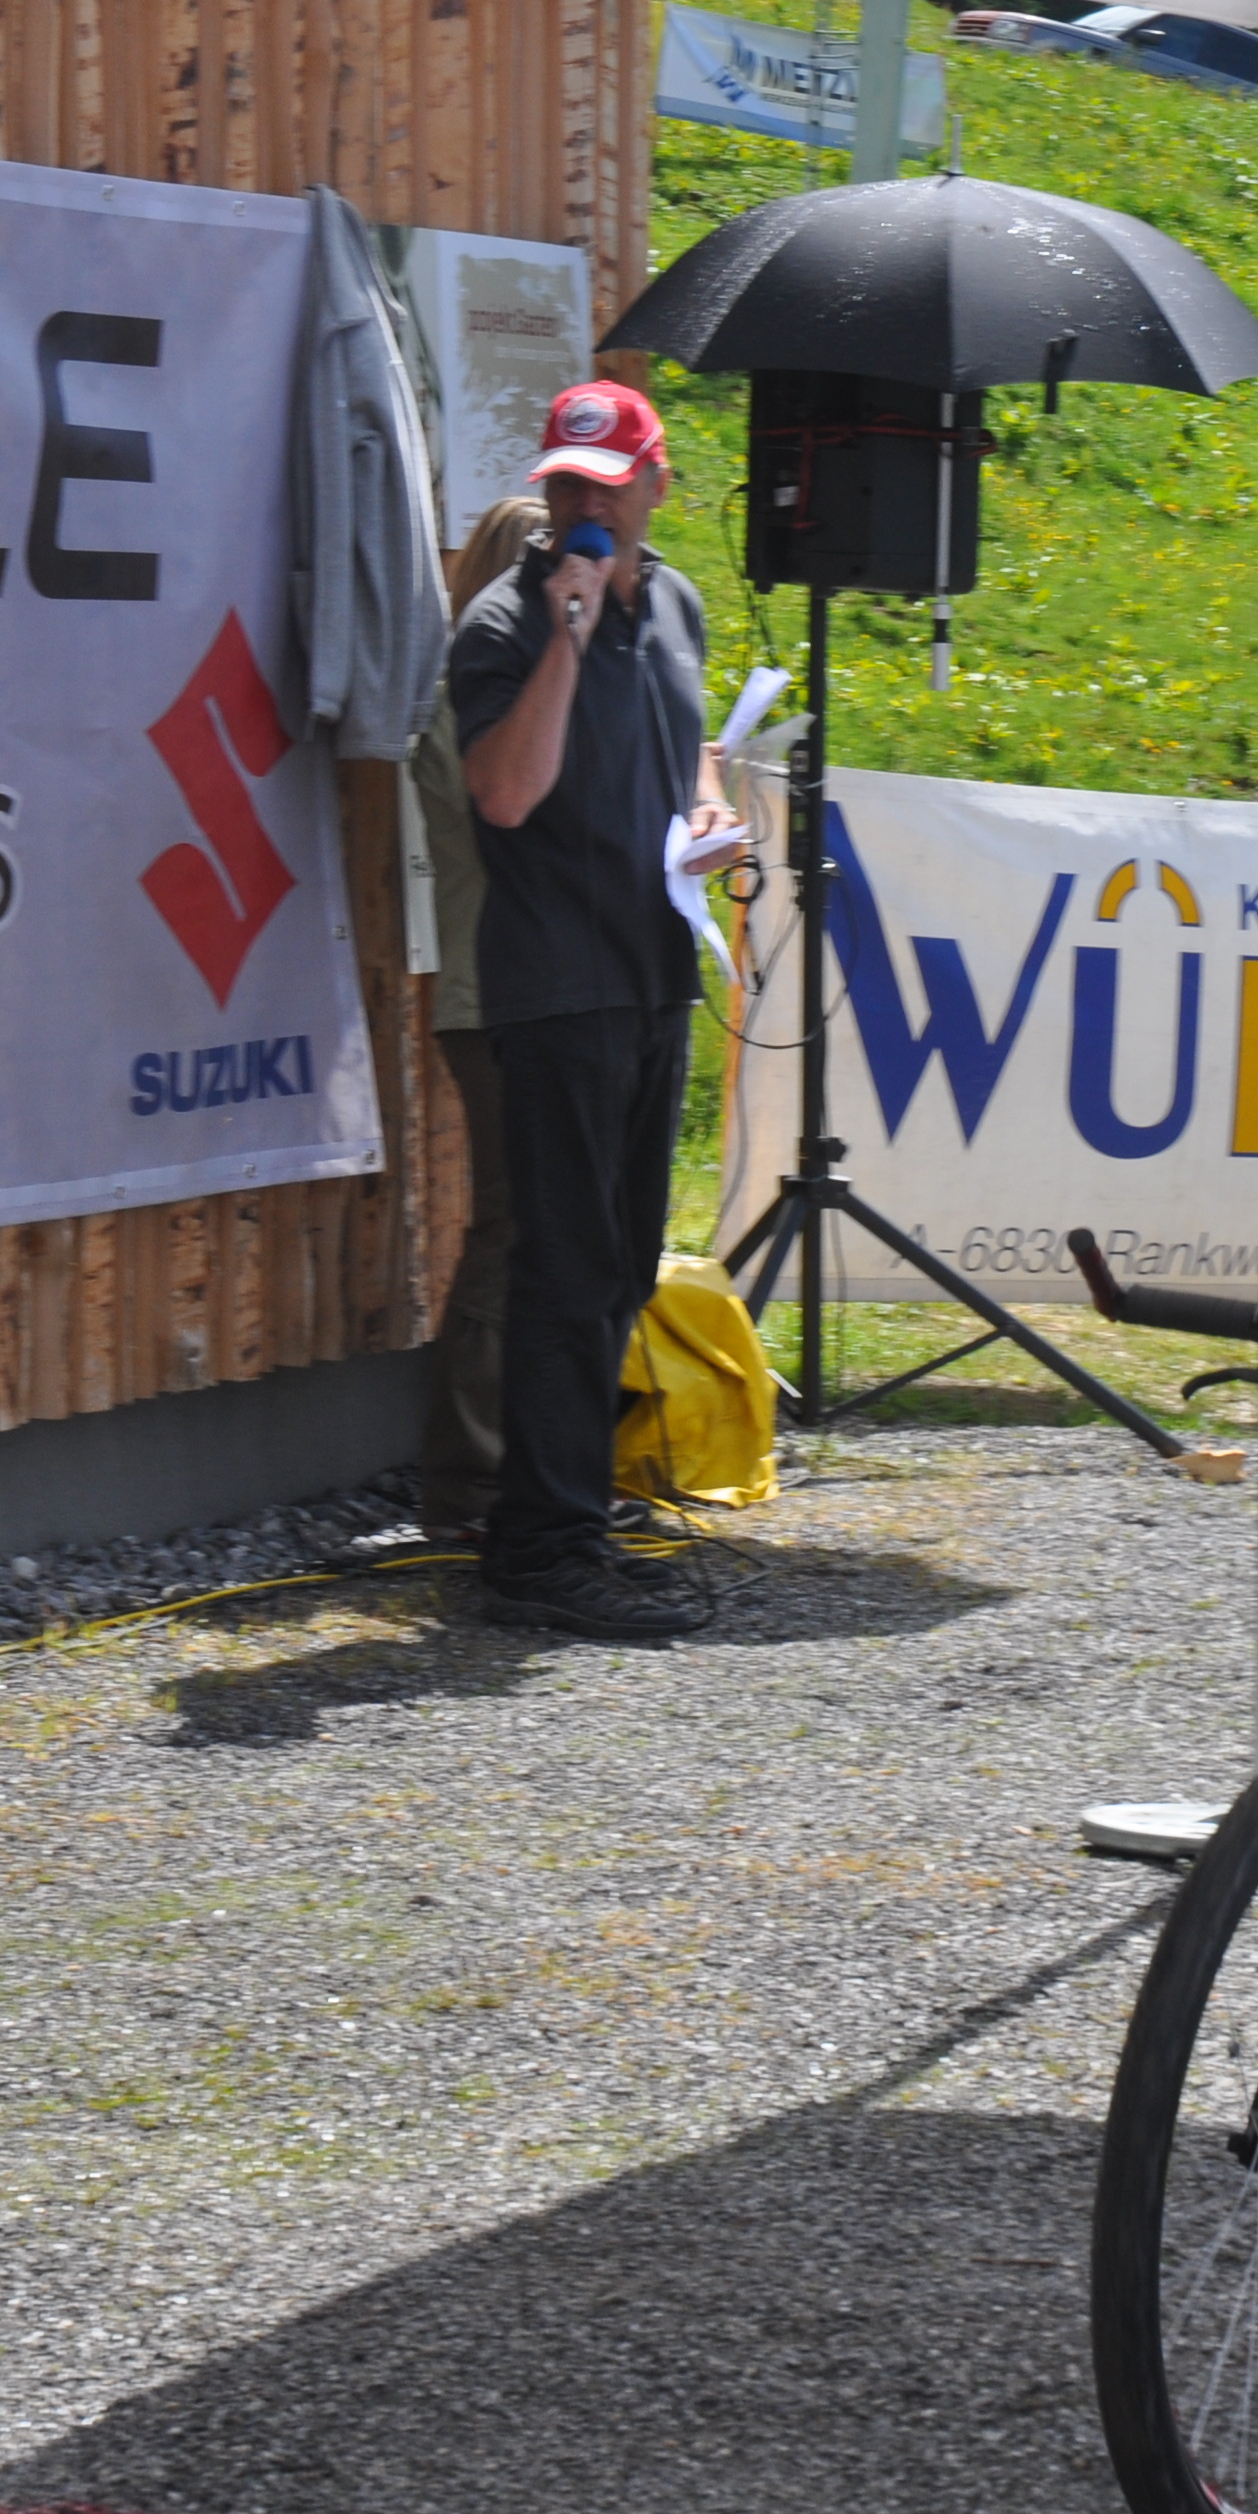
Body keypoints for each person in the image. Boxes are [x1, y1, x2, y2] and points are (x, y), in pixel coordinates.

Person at [444, 379, 729, 1640]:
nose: (583, 508)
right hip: (558, 983)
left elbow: (688, 741)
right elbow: (506, 794)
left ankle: (569, 1517)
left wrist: (709, 808)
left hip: (653, 965)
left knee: (620, 1260)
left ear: (656, 484)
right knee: (562, 1266)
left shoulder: (675, 602)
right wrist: (564, 637)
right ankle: (538, 1551)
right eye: (565, 486)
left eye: (606, 487)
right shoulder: (505, 623)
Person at [409, 494, 552, 1544]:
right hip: (494, 992)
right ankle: (468, 1483)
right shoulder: (470, 695)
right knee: (510, 1231)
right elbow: (511, 817)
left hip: (528, 987)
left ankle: (527, 1467)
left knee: (543, 1232)